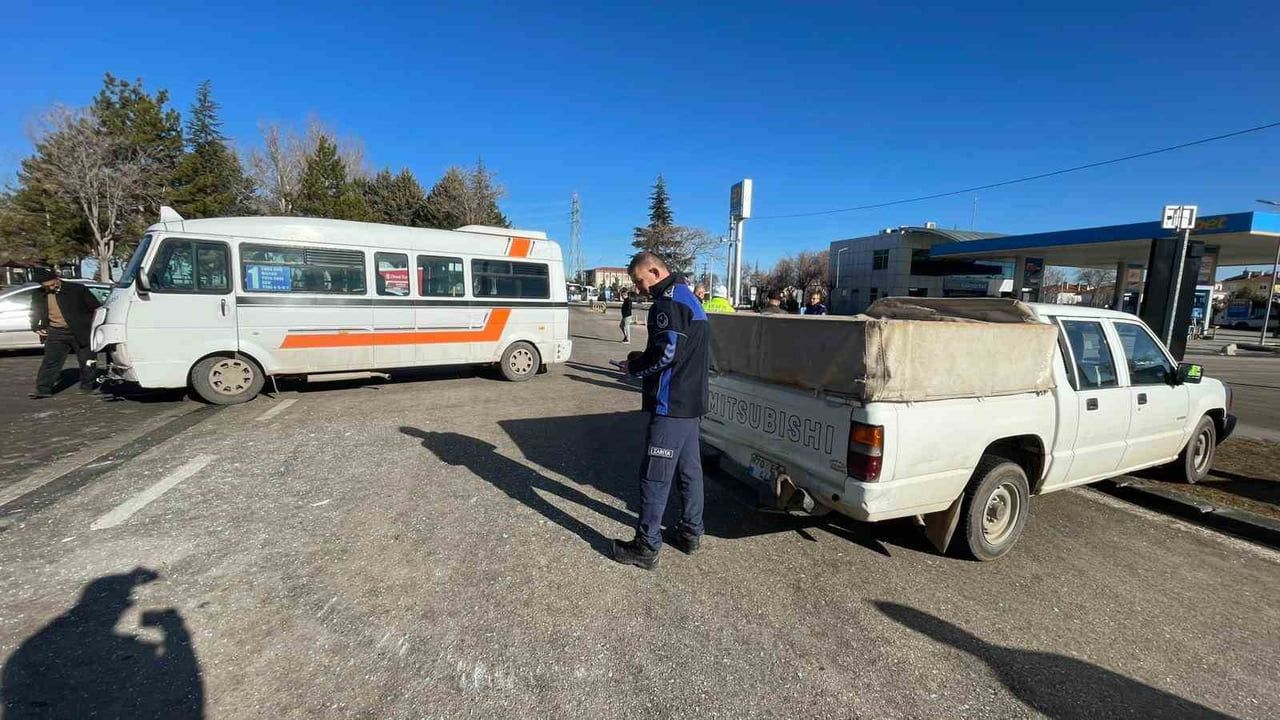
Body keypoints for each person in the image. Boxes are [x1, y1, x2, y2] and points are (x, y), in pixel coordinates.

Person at [613, 252, 709, 570]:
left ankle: (647, 545)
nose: (639, 289)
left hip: (671, 405)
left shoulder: (667, 303)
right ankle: (691, 532)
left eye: (640, 281)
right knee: (689, 471)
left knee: (654, 476)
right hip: (691, 404)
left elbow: (668, 352)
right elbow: (678, 348)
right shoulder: (689, 297)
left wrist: (635, 366)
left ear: (654, 271)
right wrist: (646, 354)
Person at [29, 268, 101, 399]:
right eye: (46, 286)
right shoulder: (39, 294)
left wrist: (94, 326)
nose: (51, 287)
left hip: (81, 331)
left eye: (52, 284)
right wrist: (36, 325)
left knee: (87, 361)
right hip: (56, 332)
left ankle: (87, 387)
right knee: (50, 361)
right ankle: (43, 390)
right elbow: (35, 311)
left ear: (57, 278)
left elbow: (95, 307)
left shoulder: (77, 289)